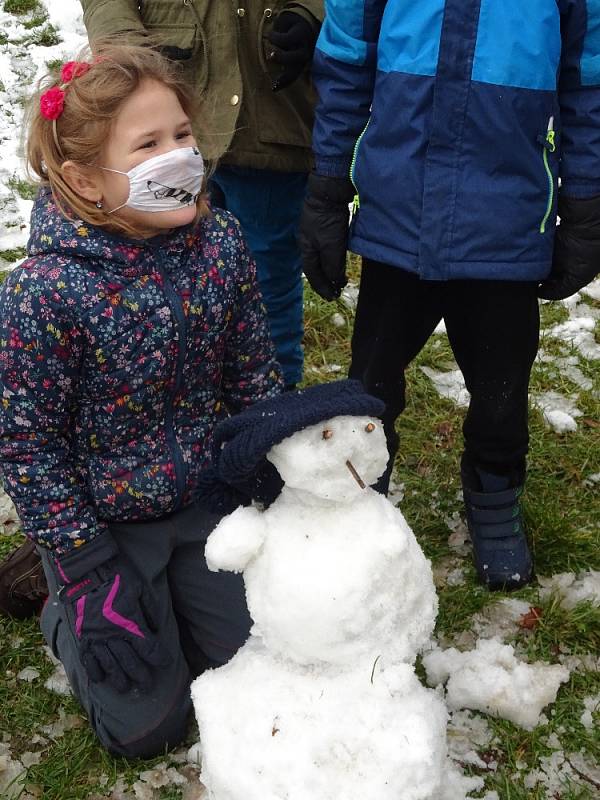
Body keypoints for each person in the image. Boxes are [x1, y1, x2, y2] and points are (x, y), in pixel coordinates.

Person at [0, 43, 282, 757]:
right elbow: (28, 446)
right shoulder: (45, 292)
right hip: (106, 522)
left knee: (262, 667)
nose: (179, 157)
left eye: (182, 135)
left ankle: (179, 599)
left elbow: (251, 371)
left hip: (204, 498)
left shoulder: (219, 243)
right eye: (149, 144)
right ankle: (56, 595)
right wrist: (85, 565)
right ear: (85, 181)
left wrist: (279, 463)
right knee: (149, 729)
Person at [300, 1, 600, 591]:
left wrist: (585, 207)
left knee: (500, 389)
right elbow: (344, 67)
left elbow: (588, 88)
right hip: (398, 218)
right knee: (372, 384)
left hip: (505, 225)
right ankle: (362, 501)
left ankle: (493, 500)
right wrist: (328, 185)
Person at [79, 0, 324, 390]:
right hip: (165, 107)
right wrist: (125, 51)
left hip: (274, 112)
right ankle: (177, 399)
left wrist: (314, 11)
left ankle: (272, 410)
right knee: (162, 281)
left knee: (266, 285)